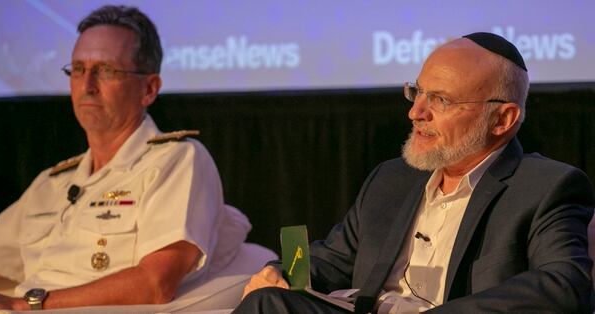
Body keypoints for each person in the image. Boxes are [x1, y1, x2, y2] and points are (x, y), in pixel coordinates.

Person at [235, 32, 595, 313]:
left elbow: (565, 283)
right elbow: (333, 260)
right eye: (417, 93)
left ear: (503, 119)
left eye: (441, 100)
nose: (416, 113)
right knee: (268, 304)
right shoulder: (392, 178)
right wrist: (277, 273)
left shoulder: (544, 186)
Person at [0, 5, 250, 311]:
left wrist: (27, 305)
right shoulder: (52, 183)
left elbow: (155, 283)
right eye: (78, 69)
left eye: (105, 70)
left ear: (149, 89)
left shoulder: (177, 160)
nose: (87, 86)